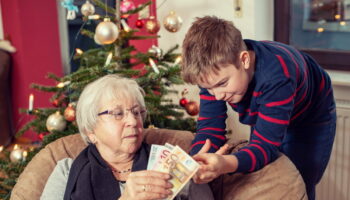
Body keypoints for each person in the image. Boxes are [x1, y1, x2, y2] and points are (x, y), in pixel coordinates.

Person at [181, 16, 336, 200]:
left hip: (310, 115)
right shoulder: (212, 76)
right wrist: (194, 161)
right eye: (208, 89)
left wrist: (224, 164)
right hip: (269, 104)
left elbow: (264, 146)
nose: (217, 96)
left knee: (299, 182)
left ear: (244, 59)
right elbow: (210, 130)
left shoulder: (277, 76)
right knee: (264, 172)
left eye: (222, 84)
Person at [40, 74, 214, 200]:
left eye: (137, 112)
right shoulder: (67, 172)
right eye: (117, 113)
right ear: (90, 131)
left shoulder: (173, 164)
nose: (133, 121)